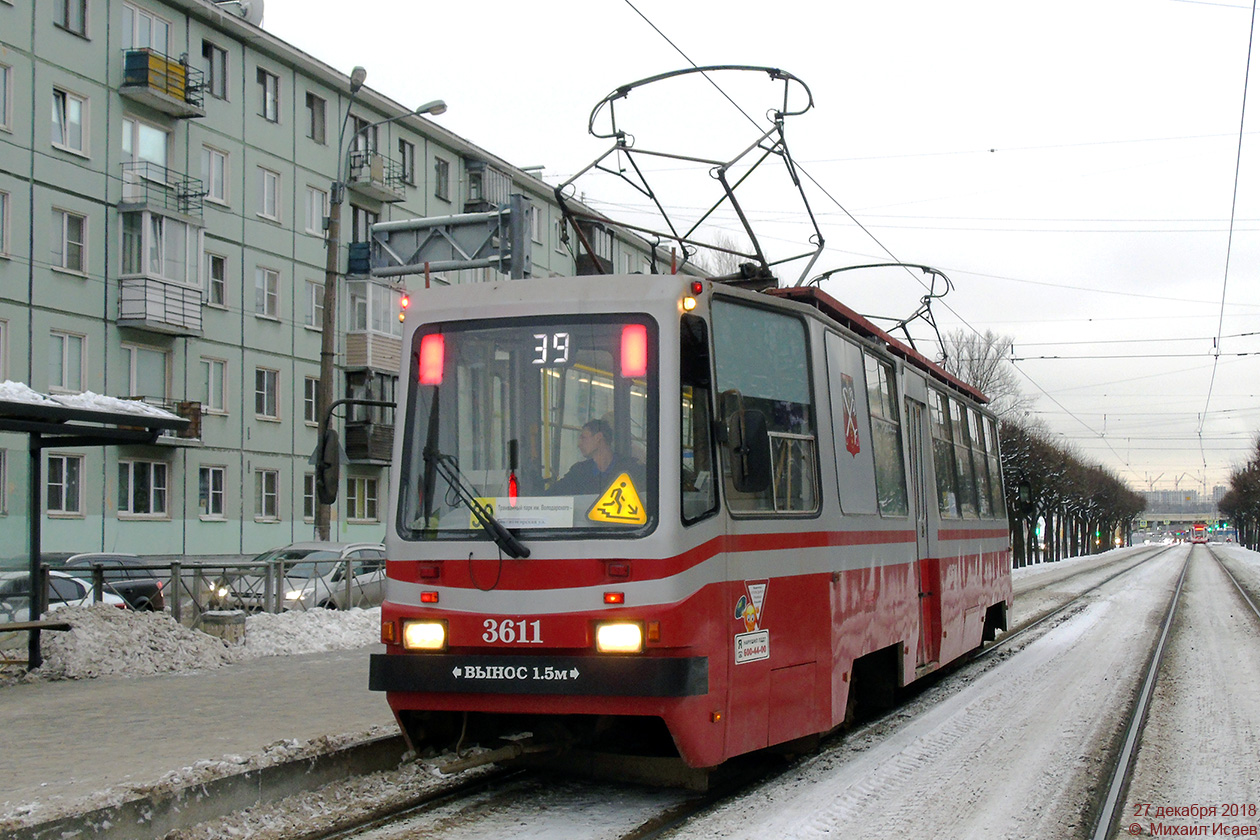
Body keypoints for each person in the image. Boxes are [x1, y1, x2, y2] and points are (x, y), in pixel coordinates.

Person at [549, 419, 639, 495]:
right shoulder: (578, 472)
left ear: (598, 437)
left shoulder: (632, 468)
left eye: (583, 438)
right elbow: (552, 494)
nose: (579, 444)